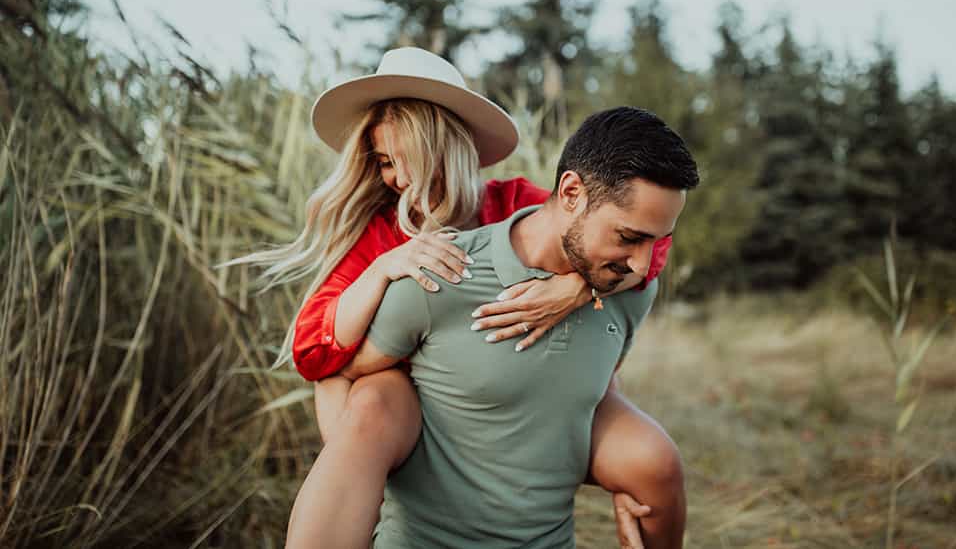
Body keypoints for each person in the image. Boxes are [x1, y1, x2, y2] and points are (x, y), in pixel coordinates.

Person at [224, 47, 686, 548]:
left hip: (514, 389)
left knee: (645, 453)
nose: (397, 180)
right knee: (363, 397)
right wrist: (382, 270)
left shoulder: (513, 205)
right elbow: (315, 353)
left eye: (409, 162)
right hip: (405, 395)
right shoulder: (380, 237)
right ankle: (372, 509)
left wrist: (576, 285)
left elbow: (615, 244)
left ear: (450, 149)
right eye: (383, 163)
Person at [330, 105, 699, 548]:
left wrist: (624, 476)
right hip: (421, 469)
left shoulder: (621, 284)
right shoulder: (425, 266)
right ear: (571, 193)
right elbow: (333, 362)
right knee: (371, 400)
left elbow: (596, 380)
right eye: (629, 237)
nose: (643, 263)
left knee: (652, 458)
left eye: (656, 240)